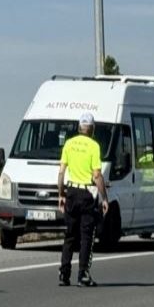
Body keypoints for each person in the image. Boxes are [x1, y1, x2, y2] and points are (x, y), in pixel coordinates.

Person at [57, 113, 108, 287]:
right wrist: (104, 198)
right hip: (86, 194)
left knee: (70, 235)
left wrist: (61, 194)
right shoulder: (94, 146)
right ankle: (83, 274)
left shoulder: (69, 144)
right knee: (86, 236)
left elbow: (61, 172)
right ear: (92, 129)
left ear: (79, 127)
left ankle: (64, 273)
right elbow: (97, 175)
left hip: (71, 192)